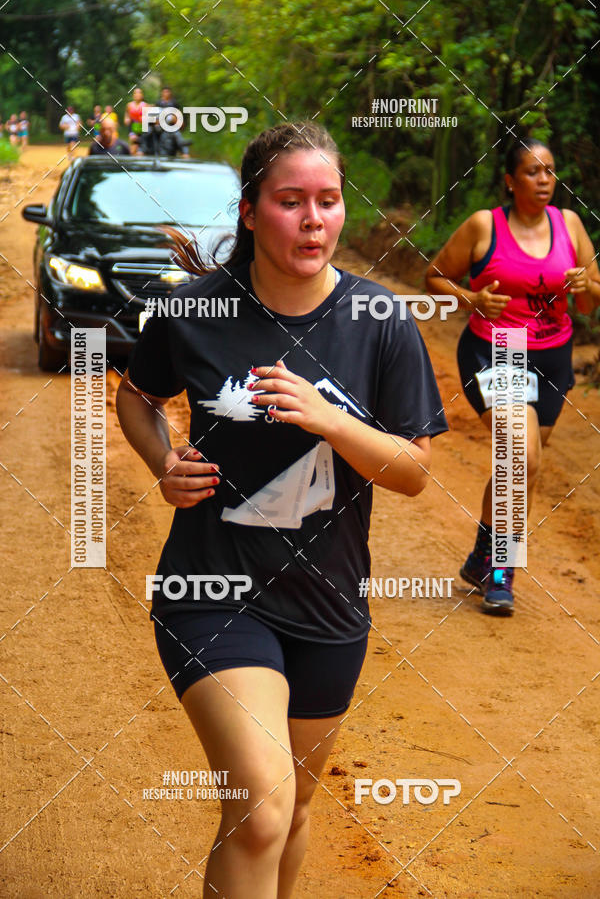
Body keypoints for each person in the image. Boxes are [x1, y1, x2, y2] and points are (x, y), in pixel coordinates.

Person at [116, 121, 447, 897]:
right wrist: (163, 460)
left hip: (329, 606)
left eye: (328, 202)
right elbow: (137, 397)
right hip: (211, 591)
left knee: (294, 806)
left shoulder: (381, 321)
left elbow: (413, 474)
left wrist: (328, 418)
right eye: (291, 201)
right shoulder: (195, 310)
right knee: (259, 809)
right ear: (250, 211)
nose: (313, 219)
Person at [426, 137, 600, 616]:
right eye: (532, 171)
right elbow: (435, 276)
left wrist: (587, 286)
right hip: (498, 349)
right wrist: (473, 300)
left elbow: (589, 302)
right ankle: (502, 574)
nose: (544, 180)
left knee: (519, 465)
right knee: (520, 454)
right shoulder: (485, 225)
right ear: (510, 179)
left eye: (549, 171)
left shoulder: (570, 225)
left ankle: (481, 556)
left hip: (552, 355)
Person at [124, 86, 147, 153]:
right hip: (132, 128)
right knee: (133, 145)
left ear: (142, 95)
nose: (137, 94)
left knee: (141, 150)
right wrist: (126, 119)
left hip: (142, 130)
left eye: (139, 93)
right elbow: (126, 115)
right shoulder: (129, 105)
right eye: (135, 93)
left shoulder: (145, 105)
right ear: (133, 95)